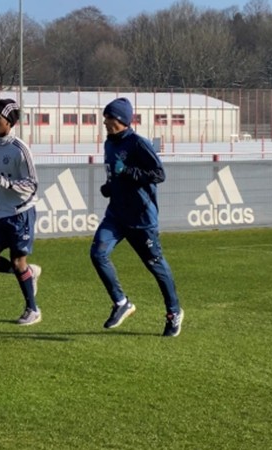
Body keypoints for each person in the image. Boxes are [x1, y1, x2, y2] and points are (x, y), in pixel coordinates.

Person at [90, 97, 184, 337]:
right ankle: (121, 303)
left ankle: (174, 312)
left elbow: (158, 174)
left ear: (120, 119)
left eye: (108, 118)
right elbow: (115, 175)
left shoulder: (138, 144)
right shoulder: (109, 144)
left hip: (141, 219)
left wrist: (130, 172)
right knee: (97, 254)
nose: (104, 122)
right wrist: (109, 187)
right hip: (116, 216)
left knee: (156, 267)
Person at [0, 98, 42, 326]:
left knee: (17, 262)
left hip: (20, 213)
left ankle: (32, 309)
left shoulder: (20, 150)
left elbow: (32, 184)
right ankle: (28, 274)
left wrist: (6, 184)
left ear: (10, 123)